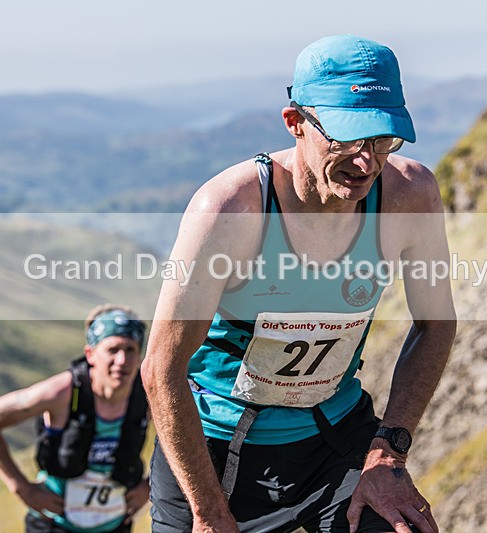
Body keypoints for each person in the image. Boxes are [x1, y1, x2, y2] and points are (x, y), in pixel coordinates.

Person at [141, 34, 457, 533]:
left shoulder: (408, 196)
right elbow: (161, 369)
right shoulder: (230, 209)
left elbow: (436, 324)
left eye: (381, 139)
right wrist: (207, 512)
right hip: (214, 448)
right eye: (347, 138)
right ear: (295, 123)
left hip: (335, 435)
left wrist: (389, 454)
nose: (366, 162)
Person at [0, 304, 150, 533]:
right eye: (113, 349)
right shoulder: (63, 393)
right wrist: (21, 488)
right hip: (54, 525)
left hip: (115, 526)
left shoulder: (147, 397)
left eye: (131, 349)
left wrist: (149, 485)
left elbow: (188, 432)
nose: (122, 360)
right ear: (90, 354)